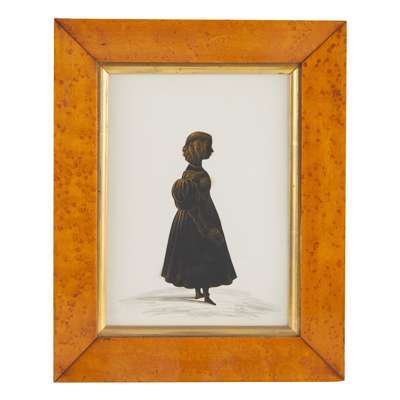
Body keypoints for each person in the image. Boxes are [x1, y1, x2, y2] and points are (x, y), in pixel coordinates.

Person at [161, 131, 237, 305]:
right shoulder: (199, 175)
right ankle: (205, 294)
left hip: (187, 218)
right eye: (209, 147)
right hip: (200, 217)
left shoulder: (188, 172)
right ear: (200, 148)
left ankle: (199, 292)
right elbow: (195, 206)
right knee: (204, 252)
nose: (211, 150)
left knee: (194, 252)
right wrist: (206, 229)